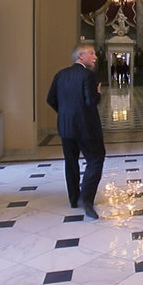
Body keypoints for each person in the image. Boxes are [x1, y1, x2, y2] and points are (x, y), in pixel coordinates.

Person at [46, 42, 105, 219]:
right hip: (86, 127)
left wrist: (65, 114)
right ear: (81, 56)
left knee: (71, 162)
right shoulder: (88, 76)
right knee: (95, 159)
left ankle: (73, 199)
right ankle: (85, 199)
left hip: (65, 126)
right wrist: (98, 93)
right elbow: (90, 101)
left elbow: (51, 99)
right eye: (92, 54)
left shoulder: (61, 75)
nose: (95, 57)